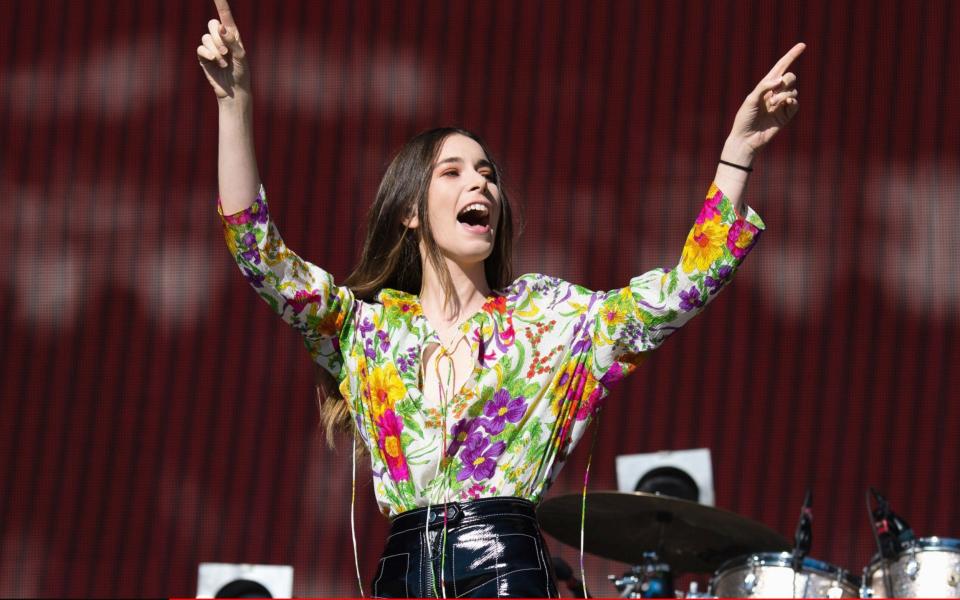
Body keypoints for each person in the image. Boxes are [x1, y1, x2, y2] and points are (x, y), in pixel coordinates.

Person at [198, 0, 803, 597]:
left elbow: (679, 290)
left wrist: (737, 154)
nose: (479, 182)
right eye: (452, 171)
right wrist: (234, 105)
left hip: (503, 566)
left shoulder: (547, 317)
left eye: (486, 172)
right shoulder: (368, 332)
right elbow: (261, 255)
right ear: (410, 210)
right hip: (403, 573)